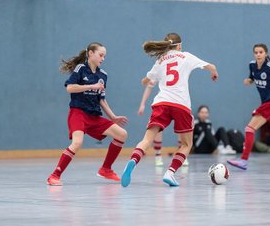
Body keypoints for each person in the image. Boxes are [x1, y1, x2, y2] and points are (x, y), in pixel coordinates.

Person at [121, 33, 218, 187]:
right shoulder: (186, 56)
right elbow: (211, 66)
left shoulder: (160, 60)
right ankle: (170, 172)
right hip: (181, 104)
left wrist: (147, 79)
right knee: (186, 144)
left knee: (147, 139)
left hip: (161, 103)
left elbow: (145, 80)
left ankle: (132, 161)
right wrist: (214, 73)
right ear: (179, 45)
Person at [47, 42, 128, 186]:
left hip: (94, 116)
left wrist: (113, 117)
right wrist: (91, 86)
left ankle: (106, 169)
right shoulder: (80, 69)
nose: (103, 58)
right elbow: (70, 88)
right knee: (77, 142)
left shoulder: (103, 75)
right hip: (78, 113)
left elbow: (102, 99)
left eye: (104, 56)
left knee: (122, 134)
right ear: (91, 53)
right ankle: (54, 175)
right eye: (100, 55)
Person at [138, 80, 189, 166]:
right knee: (157, 128)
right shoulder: (161, 69)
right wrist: (142, 104)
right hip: (164, 102)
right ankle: (158, 155)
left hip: (178, 102)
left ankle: (182, 153)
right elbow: (149, 85)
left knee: (182, 128)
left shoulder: (181, 73)